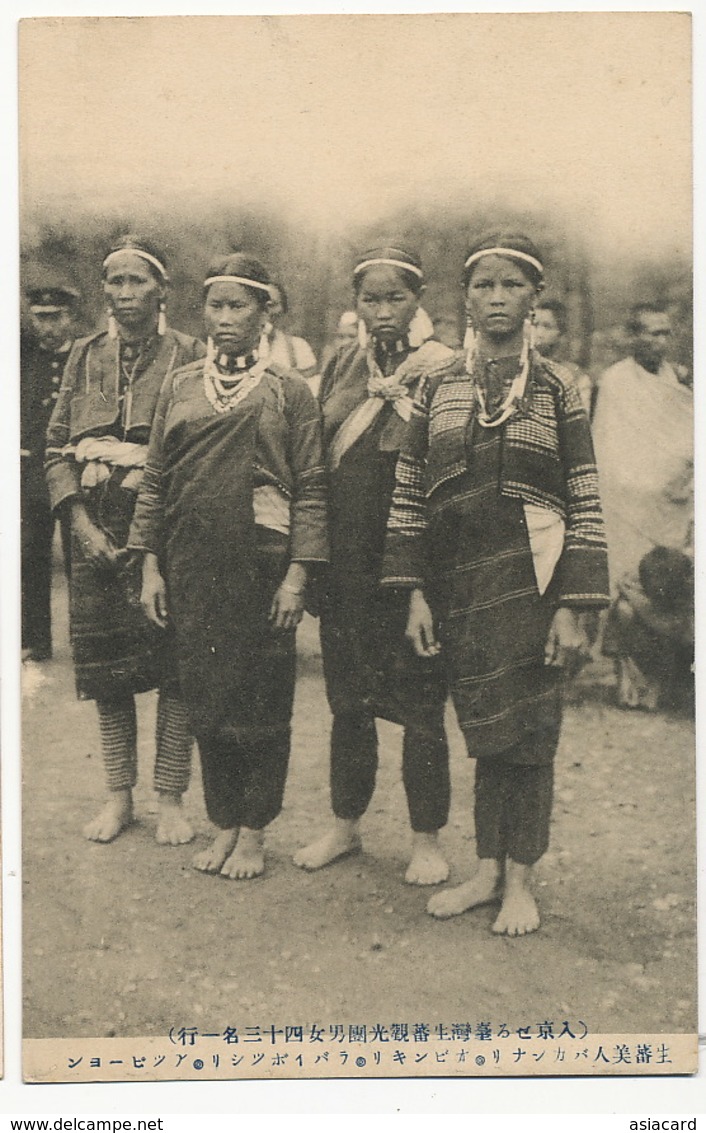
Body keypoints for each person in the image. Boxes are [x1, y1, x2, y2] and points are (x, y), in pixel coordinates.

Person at [383, 233, 610, 933]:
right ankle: (486, 869)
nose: (496, 298)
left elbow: (584, 494)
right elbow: (410, 490)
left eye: (512, 285)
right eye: (484, 286)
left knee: (531, 732)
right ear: (466, 297)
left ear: (534, 297)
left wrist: (573, 606)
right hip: (459, 585)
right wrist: (415, 590)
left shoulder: (557, 389)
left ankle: (521, 879)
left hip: (533, 584)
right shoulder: (438, 385)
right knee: (483, 724)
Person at [129, 253, 328, 881]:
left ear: (266, 311)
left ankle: (255, 831)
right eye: (215, 305)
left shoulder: (289, 391)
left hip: (263, 569)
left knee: (261, 701)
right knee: (206, 699)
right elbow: (155, 480)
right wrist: (151, 567)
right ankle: (223, 820)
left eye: (238, 305)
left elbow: (314, 488)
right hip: (192, 566)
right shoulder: (181, 384)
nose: (224, 319)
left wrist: (298, 576)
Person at [294, 245, 454, 886]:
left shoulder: (447, 370)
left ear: (418, 301)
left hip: (417, 565)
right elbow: (314, 463)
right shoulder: (340, 364)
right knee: (348, 703)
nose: (382, 311)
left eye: (396, 298)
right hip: (348, 566)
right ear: (355, 304)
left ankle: (426, 839)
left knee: (421, 706)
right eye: (370, 299)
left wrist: (427, 581)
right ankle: (345, 825)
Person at [45, 234, 205, 845]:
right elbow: (58, 446)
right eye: (115, 281)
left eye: (138, 281)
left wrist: (151, 540)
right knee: (107, 672)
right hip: (94, 532)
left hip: (165, 532)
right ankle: (119, 798)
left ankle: (170, 799)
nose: (126, 293)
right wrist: (80, 525)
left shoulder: (190, 354)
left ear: (163, 289)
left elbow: (193, 450)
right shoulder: (84, 355)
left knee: (174, 669)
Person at [592, 304, 693, 592]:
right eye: (653, 334)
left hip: (670, 501)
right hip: (625, 501)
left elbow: (686, 432)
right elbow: (607, 447)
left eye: (665, 334)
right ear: (634, 337)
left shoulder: (675, 380)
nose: (661, 342)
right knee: (625, 578)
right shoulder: (614, 381)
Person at [21, 272, 80, 661]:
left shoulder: (87, 357)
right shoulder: (22, 359)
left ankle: (84, 638)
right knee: (30, 556)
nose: (48, 326)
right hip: (28, 473)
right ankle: (35, 640)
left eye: (56, 317)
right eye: (40, 317)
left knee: (80, 558)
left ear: (71, 318)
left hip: (74, 471)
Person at [533, 298, 594, 417]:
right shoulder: (516, 368)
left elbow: (580, 421)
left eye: (547, 326)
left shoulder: (573, 375)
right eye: (534, 325)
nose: (538, 333)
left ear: (560, 334)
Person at [264, 279, 318, 385]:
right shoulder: (234, 349)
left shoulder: (298, 348)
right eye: (261, 306)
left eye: (272, 305)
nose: (266, 312)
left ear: (283, 309)